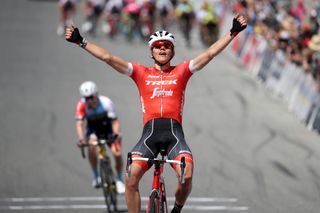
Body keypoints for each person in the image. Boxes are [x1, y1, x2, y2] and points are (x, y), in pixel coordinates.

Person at [66, 14, 247, 213]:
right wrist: (81, 42)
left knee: (186, 177)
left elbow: (209, 54)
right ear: (151, 51)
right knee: (130, 179)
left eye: (167, 45)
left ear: (173, 51)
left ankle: (176, 209)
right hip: (149, 135)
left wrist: (233, 33)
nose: (162, 48)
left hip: (174, 135)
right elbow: (108, 58)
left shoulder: (182, 71)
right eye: (158, 45)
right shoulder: (140, 72)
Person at [75, 81, 125, 194]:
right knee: (92, 144)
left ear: (96, 94)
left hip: (108, 130)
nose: (89, 100)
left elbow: (115, 122)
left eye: (91, 97)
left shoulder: (106, 102)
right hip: (93, 131)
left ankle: (119, 179)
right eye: (86, 98)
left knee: (117, 153)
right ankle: (96, 175)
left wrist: (116, 134)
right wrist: (81, 139)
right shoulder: (81, 104)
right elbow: (79, 123)